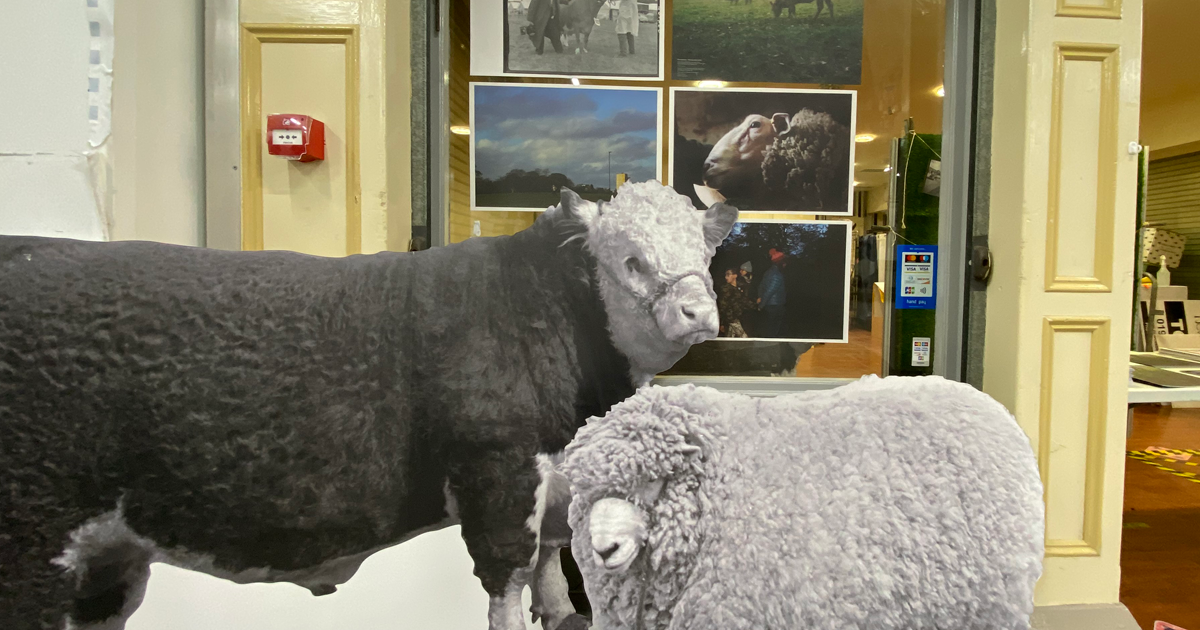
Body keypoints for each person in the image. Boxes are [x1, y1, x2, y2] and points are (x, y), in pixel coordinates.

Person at [757, 248, 788, 338]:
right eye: (784, 262)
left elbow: (761, 286)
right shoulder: (777, 275)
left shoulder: (768, 272)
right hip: (775, 306)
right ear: (780, 262)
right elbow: (769, 291)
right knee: (773, 330)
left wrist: (760, 297)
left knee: (770, 328)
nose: (785, 264)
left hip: (770, 306)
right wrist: (761, 305)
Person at [718, 267, 755, 338]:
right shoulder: (725, 289)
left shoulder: (741, 287)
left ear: (735, 275)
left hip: (739, 316)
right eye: (725, 275)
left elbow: (744, 300)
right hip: (731, 318)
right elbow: (723, 306)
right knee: (744, 337)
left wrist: (755, 306)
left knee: (730, 337)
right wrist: (721, 322)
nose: (726, 277)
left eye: (728, 275)